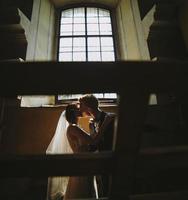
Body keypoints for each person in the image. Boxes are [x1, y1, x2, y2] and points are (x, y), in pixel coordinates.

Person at [78, 94, 116, 197]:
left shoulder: (109, 118)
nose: (79, 107)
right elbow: (94, 143)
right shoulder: (91, 122)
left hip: (111, 157)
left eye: (81, 105)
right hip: (99, 158)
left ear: (88, 106)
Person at [63, 103, 95, 200]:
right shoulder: (73, 128)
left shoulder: (74, 127)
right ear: (73, 113)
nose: (80, 110)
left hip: (84, 158)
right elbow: (91, 140)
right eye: (78, 108)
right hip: (81, 161)